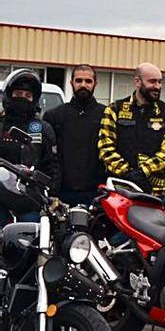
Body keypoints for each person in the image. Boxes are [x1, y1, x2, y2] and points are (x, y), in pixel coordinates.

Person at [97, 62, 165, 197]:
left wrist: (142, 172)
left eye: (160, 82)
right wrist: (128, 173)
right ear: (137, 82)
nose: (157, 86)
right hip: (119, 188)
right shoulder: (114, 109)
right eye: (152, 82)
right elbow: (105, 149)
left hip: (155, 192)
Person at [0, 69, 59, 223]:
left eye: (28, 96)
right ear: (8, 95)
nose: (23, 99)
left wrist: (52, 192)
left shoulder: (42, 128)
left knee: (32, 238)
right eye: (18, 94)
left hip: (30, 199)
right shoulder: (0, 125)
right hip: (0, 199)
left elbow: (52, 166)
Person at [44, 64, 106, 206]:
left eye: (88, 81)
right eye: (78, 81)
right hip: (62, 194)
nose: (83, 85)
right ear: (71, 83)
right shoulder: (54, 116)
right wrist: (52, 192)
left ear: (95, 84)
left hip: (97, 194)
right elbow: (49, 158)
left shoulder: (107, 115)